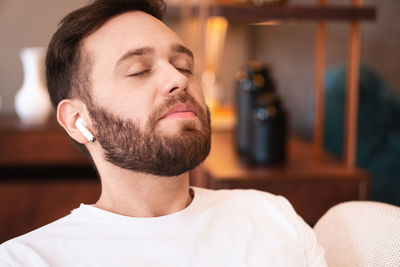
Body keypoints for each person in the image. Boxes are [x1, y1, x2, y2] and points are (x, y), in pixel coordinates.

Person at [0, 0, 327, 266]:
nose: (178, 79)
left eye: (184, 66)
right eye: (139, 70)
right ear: (77, 120)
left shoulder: (271, 216)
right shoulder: (27, 259)